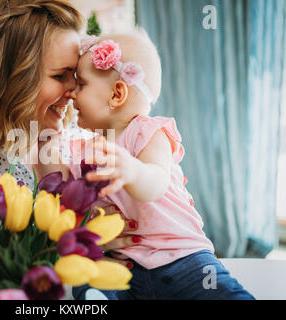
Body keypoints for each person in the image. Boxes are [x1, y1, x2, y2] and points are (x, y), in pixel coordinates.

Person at [0, 0, 139, 299]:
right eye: (60, 76)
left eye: (77, 75)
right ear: (9, 78)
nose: (73, 90)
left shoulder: (81, 137)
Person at [57, 30, 255, 299]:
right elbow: (63, 191)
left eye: (82, 84)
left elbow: (156, 183)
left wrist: (132, 170)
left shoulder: (148, 132)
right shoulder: (85, 150)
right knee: (88, 281)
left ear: (117, 94)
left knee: (221, 292)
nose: (71, 92)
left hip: (183, 258)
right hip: (124, 266)